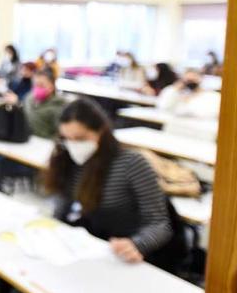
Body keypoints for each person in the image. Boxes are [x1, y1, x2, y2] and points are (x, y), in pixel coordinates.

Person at [46, 98, 185, 271]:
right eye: (66, 139)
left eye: (80, 138)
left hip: (130, 254)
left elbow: (160, 224)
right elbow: (63, 206)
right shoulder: (67, 160)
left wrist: (136, 244)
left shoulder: (131, 164)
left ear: (101, 132)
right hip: (94, 248)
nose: (73, 145)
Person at [0, 68, 67, 188]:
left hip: (35, 152)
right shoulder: (30, 98)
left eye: (41, 85)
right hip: (18, 142)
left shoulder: (60, 106)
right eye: (35, 84)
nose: (37, 88)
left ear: (52, 86)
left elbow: (61, 134)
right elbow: (21, 119)